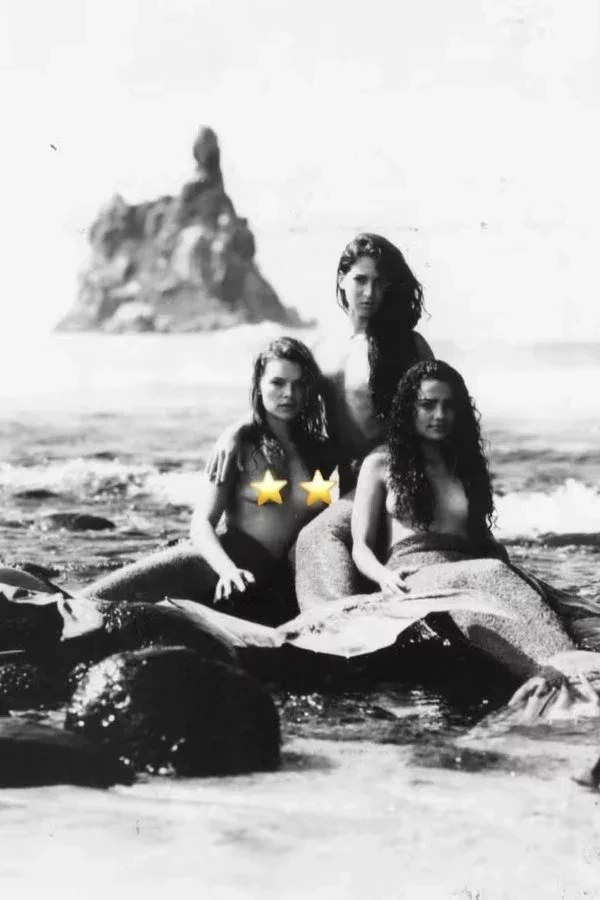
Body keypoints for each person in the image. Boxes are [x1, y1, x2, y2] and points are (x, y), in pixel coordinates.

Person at [208, 233, 434, 607]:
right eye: (360, 279)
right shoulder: (322, 348)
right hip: (346, 485)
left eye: (379, 282)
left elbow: (439, 412)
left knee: (316, 538)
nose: (369, 292)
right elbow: (285, 403)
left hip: (390, 478)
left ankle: (332, 620)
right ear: (342, 279)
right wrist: (237, 429)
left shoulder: (409, 345)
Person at [350, 359, 594, 689]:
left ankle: (569, 666)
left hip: (471, 564)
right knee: (487, 574)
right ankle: (552, 674)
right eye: (428, 405)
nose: (439, 415)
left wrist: (515, 574)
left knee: (562, 607)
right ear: (408, 408)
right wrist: (383, 577)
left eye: (449, 406)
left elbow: (478, 536)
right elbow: (360, 546)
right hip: (415, 573)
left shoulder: (462, 463)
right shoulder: (380, 464)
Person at [81, 337, 336, 626]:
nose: (289, 393)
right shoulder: (238, 446)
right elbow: (201, 524)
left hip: (271, 580)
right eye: (277, 383)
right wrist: (227, 571)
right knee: (90, 602)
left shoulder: (318, 449)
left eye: (299, 384)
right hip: (215, 563)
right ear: (259, 384)